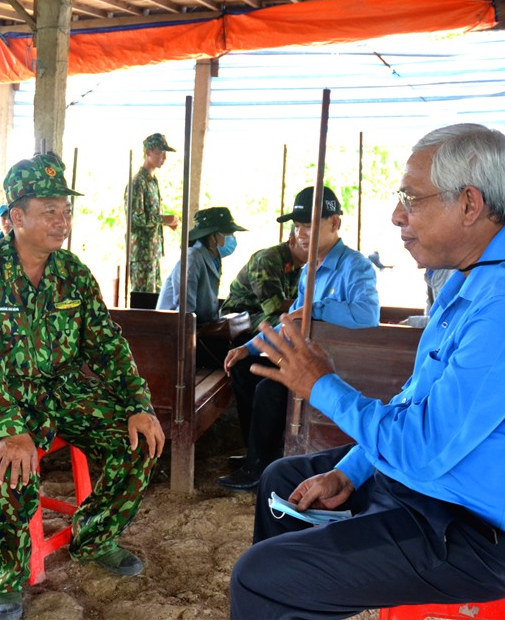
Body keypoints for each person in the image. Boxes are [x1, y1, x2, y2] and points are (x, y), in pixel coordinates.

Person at [229, 124, 505, 619]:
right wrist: (351, 469)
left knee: (259, 579)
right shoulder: (475, 278)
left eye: (411, 198)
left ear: (469, 204)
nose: (397, 216)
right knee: (284, 482)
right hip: (442, 485)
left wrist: (321, 385)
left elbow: (423, 448)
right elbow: (416, 400)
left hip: (482, 533)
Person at [0, 151, 165, 620]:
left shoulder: (73, 273)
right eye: (49, 210)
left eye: (65, 210)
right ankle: (7, 575)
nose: (61, 220)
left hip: (63, 391)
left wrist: (137, 404)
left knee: (137, 442)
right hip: (1, 399)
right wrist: (11, 429)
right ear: (15, 217)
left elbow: (108, 345)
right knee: (13, 465)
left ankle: (94, 537)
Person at [218, 186, 379, 491]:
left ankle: (257, 467)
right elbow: (292, 321)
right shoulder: (308, 271)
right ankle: (260, 452)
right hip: (303, 358)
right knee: (243, 368)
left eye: (310, 225)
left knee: (269, 388)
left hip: (335, 366)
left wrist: (315, 310)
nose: (301, 233)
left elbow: (367, 316)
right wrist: (248, 347)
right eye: (298, 226)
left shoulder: (356, 267)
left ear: (334, 223)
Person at [156, 206, 247, 324]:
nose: (232, 238)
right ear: (212, 236)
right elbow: (186, 311)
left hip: (199, 325)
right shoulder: (192, 259)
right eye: (227, 233)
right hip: (175, 328)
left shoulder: (214, 257)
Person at [221, 224, 307, 335]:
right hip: (241, 317)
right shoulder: (267, 259)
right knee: (293, 324)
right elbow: (275, 306)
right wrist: (311, 306)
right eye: (307, 245)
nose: (316, 251)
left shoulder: (298, 267)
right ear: (293, 242)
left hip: (262, 314)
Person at [128, 132, 180, 293]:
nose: (163, 157)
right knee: (143, 302)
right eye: (159, 152)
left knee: (153, 301)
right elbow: (136, 218)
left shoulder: (152, 181)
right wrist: (164, 219)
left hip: (152, 253)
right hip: (142, 254)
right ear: (147, 153)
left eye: (165, 153)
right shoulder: (138, 182)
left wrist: (166, 222)